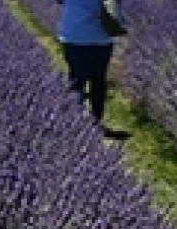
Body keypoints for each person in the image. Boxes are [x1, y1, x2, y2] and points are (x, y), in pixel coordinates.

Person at [56, 0, 131, 139]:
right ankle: (95, 124)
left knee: (77, 81)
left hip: (75, 35)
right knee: (98, 81)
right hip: (101, 36)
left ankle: (73, 124)